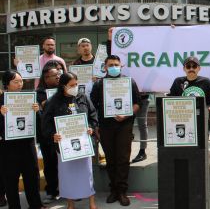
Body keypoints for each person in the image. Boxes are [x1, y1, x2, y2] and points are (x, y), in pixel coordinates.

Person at [90, 55, 141, 206]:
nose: (114, 67)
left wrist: (126, 114)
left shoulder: (129, 82)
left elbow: (138, 103)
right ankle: (114, 190)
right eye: (110, 64)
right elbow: (92, 106)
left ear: (121, 66)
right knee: (110, 159)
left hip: (124, 126)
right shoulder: (99, 84)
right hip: (105, 127)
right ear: (105, 67)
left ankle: (122, 191)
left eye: (116, 64)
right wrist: (96, 126)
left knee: (123, 159)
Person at [43, 72, 98, 209]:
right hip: (64, 146)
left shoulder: (83, 97)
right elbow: (46, 124)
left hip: (84, 145)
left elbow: (93, 115)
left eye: (76, 84)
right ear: (63, 86)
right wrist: (53, 135)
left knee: (87, 173)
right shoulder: (53, 102)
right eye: (72, 85)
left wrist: (91, 128)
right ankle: (70, 204)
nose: (75, 87)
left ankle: (92, 203)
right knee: (67, 176)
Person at [0, 70, 46, 209]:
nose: (20, 84)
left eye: (21, 81)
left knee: (32, 176)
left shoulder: (29, 98)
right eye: (16, 81)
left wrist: (38, 112)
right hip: (8, 147)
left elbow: (40, 123)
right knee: (11, 179)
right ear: (6, 84)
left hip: (27, 144)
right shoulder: (1, 101)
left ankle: (36, 204)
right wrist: (1, 115)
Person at [107, 28, 149, 164]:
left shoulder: (150, 56)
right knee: (125, 127)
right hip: (121, 95)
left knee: (142, 125)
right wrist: (110, 39)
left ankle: (143, 151)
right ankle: (123, 153)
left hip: (141, 97)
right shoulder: (123, 57)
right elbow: (112, 56)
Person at [36, 64, 61, 204]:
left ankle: (67, 189)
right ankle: (51, 191)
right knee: (50, 164)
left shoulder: (62, 90)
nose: (58, 77)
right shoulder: (38, 94)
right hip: (46, 136)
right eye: (55, 75)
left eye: (58, 74)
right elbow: (39, 117)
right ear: (46, 78)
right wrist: (41, 107)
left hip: (62, 133)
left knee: (63, 164)